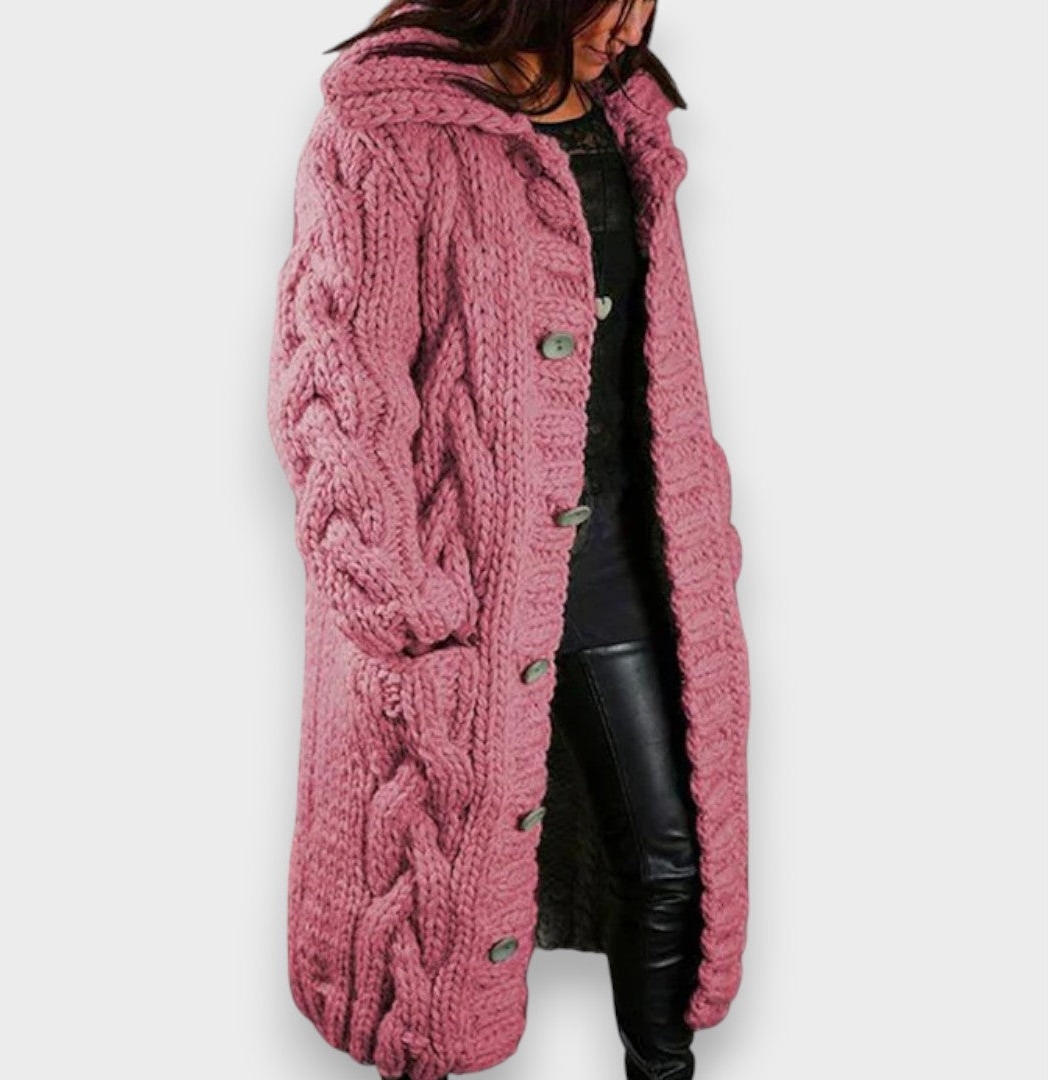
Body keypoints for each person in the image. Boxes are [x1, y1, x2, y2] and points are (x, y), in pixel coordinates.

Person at [266, 4, 751, 1080]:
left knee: (674, 856)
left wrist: (704, 513)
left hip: (628, 557)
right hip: (467, 585)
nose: (632, 20)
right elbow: (333, 386)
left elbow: (652, 351)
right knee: (435, 918)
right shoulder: (389, 126)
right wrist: (402, 598)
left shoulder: (622, 116)